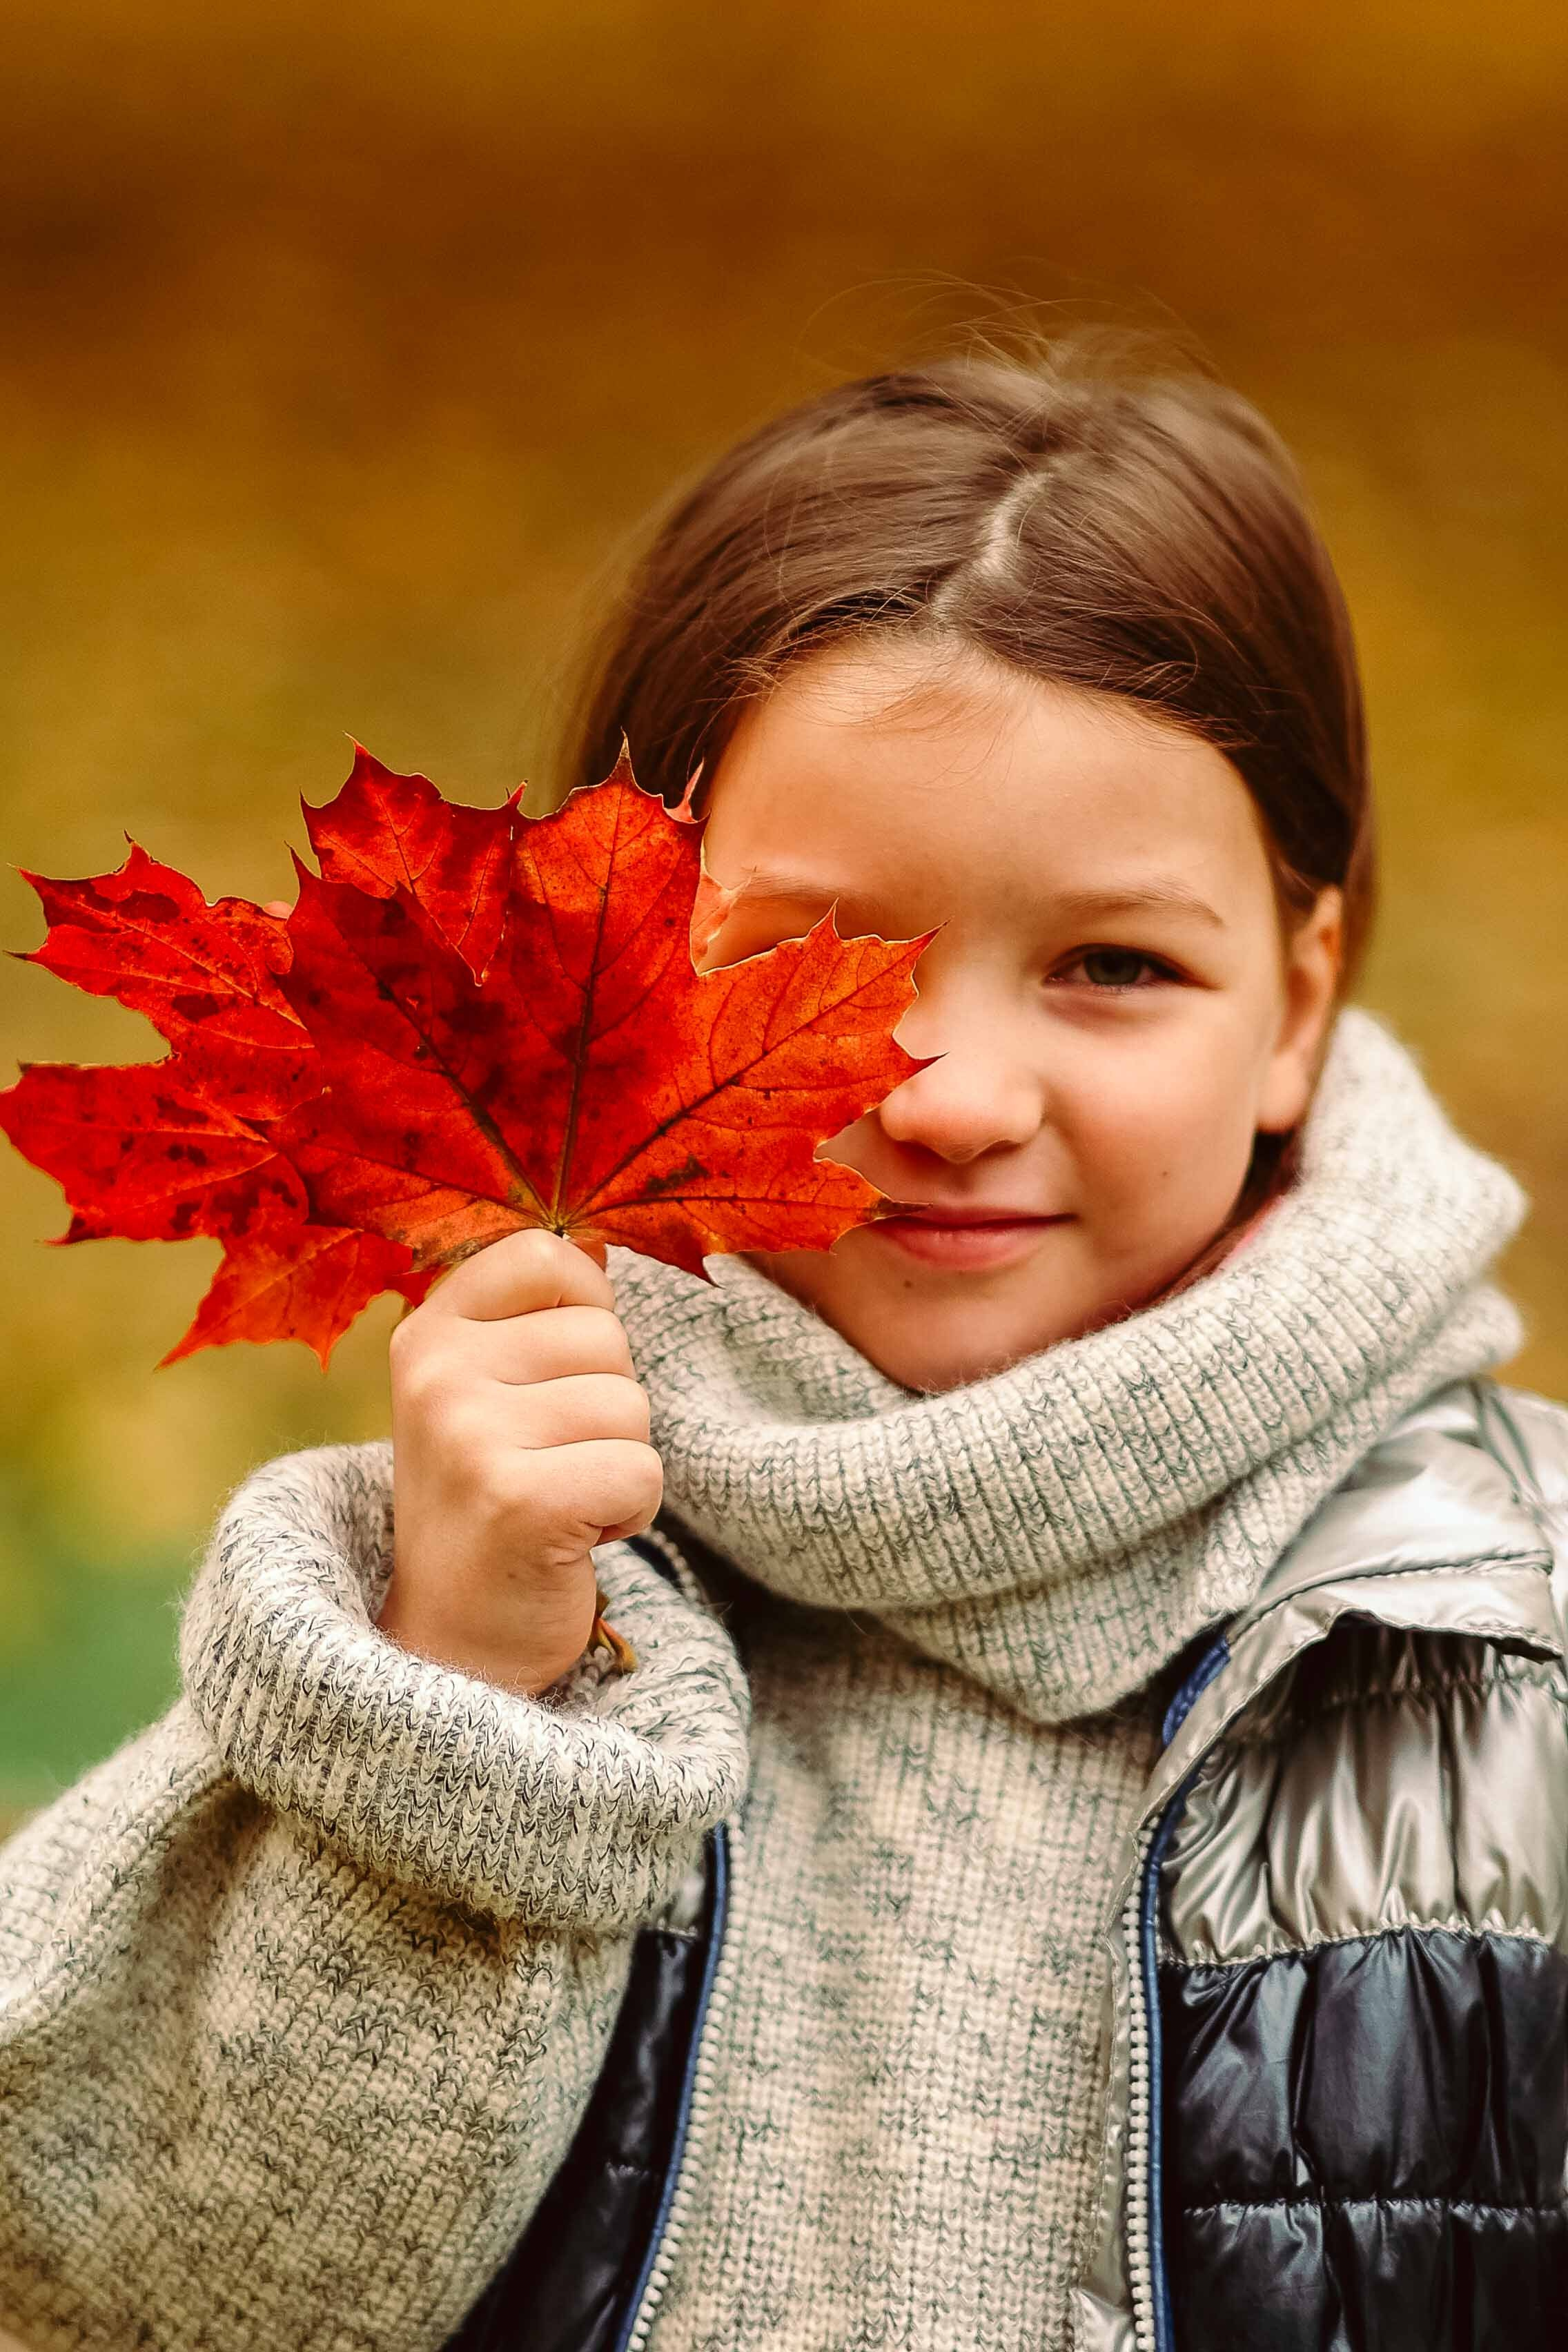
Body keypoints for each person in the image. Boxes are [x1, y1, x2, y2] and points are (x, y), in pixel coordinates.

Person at [1, 344, 1564, 2352]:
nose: (953, 1096)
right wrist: (463, 1706)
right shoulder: (460, 1598)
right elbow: (174, 2290)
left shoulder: (1516, 1638)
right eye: (823, 971)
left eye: (1112, 967)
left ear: (1293, 998)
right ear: (609, 980)